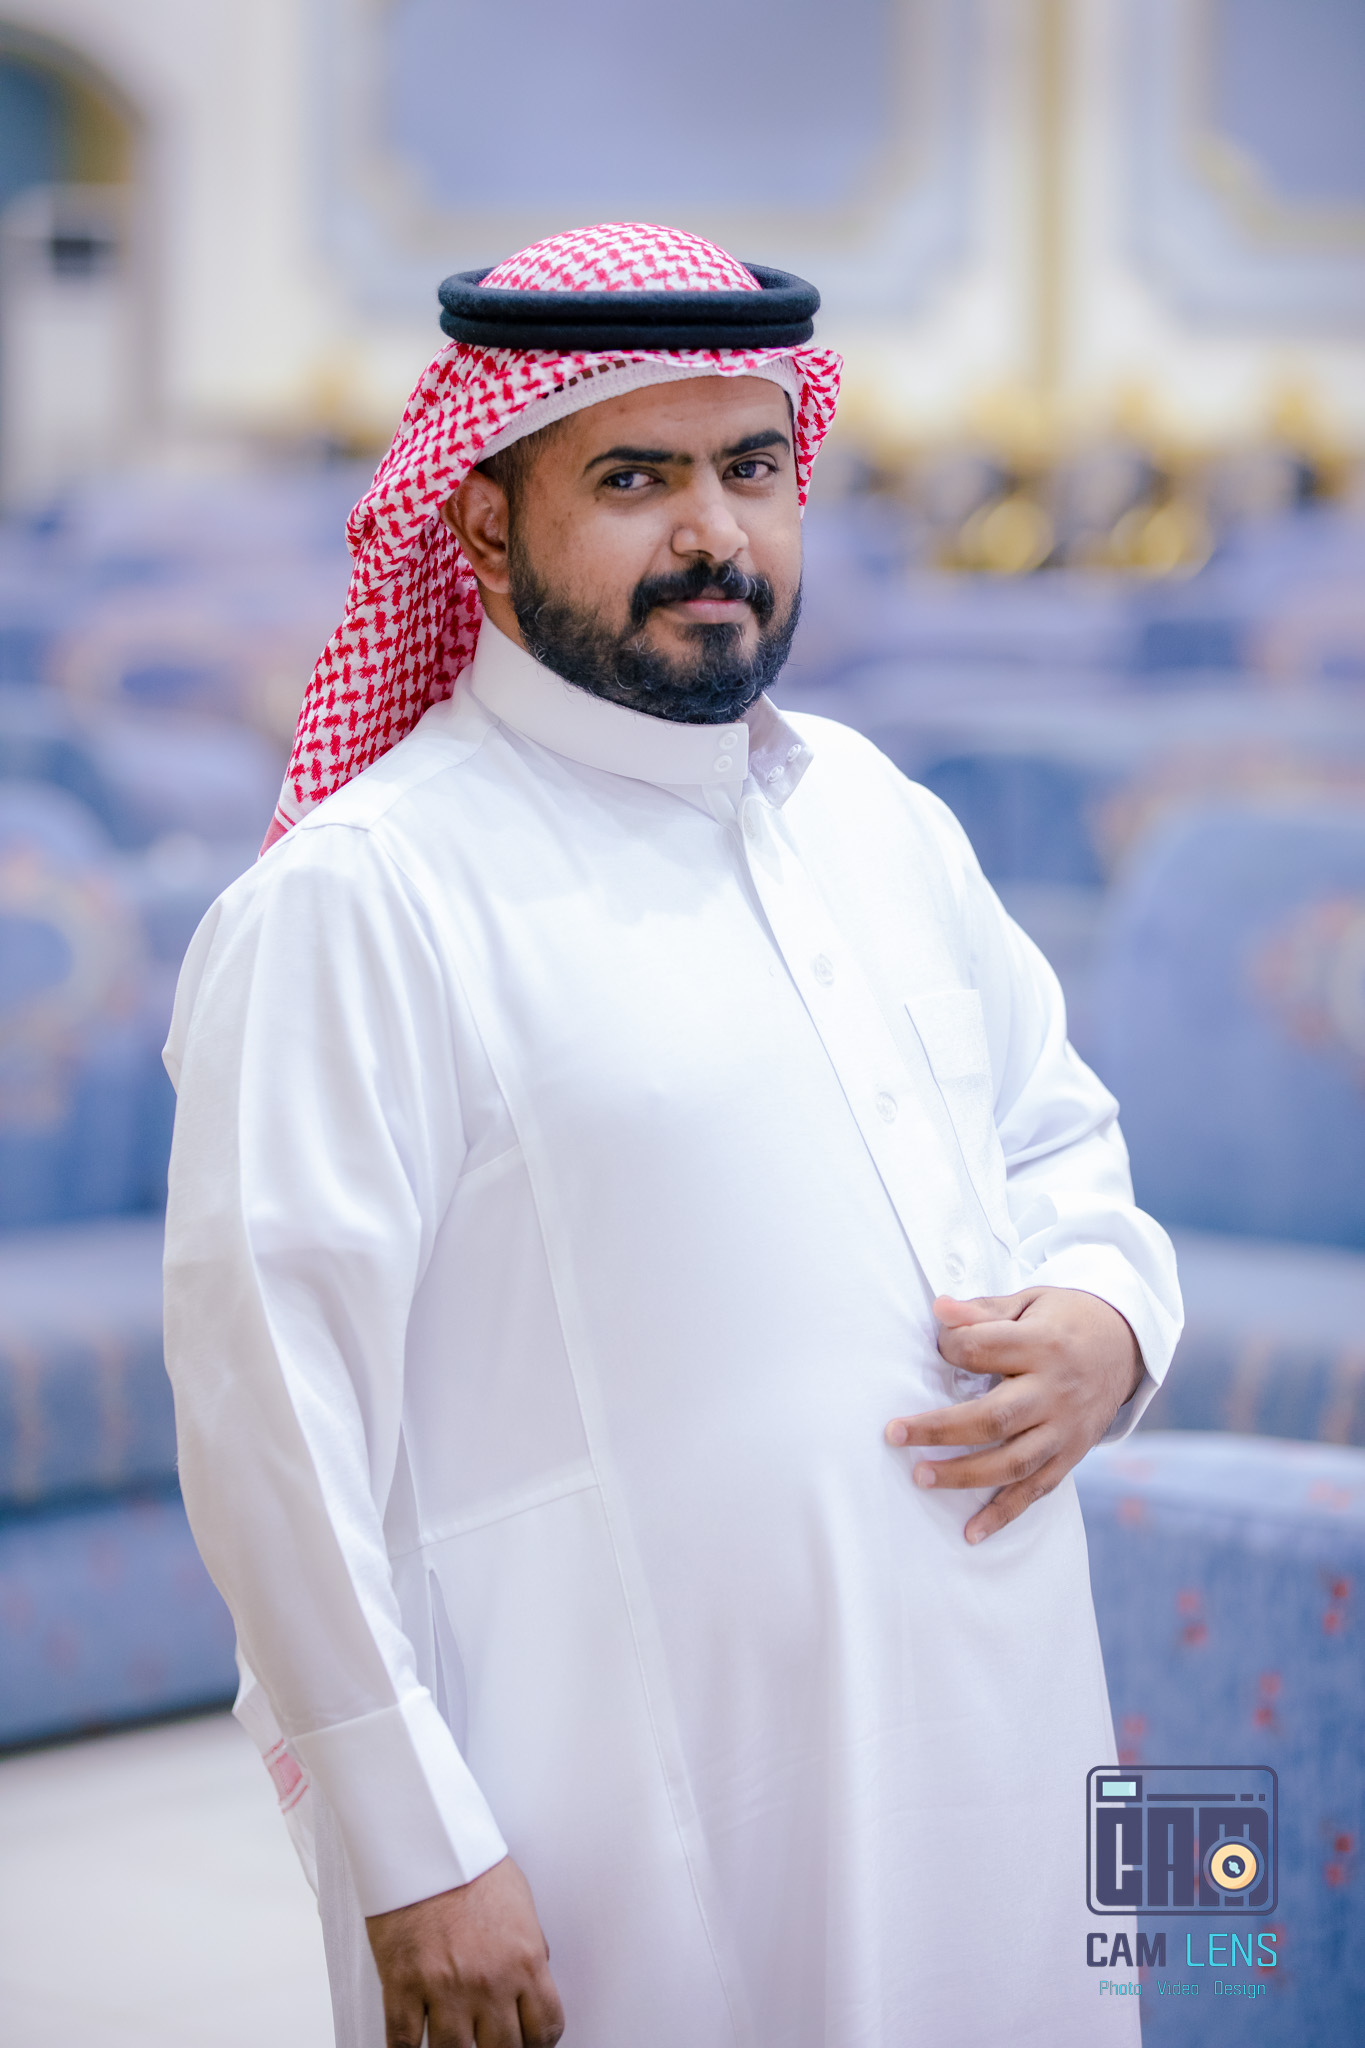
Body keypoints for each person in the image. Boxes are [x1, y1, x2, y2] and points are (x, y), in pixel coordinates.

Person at [162, 222, 1179, 2048]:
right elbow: (270, 1417)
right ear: (482, 526)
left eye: (753, 469)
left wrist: (1110, 1318)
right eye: (634, 478)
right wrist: (410, 1847)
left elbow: (1056, 1139)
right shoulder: (365, 896)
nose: (715, 533)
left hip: (996, 1717)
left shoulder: (876, 814)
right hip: (612, 1795)